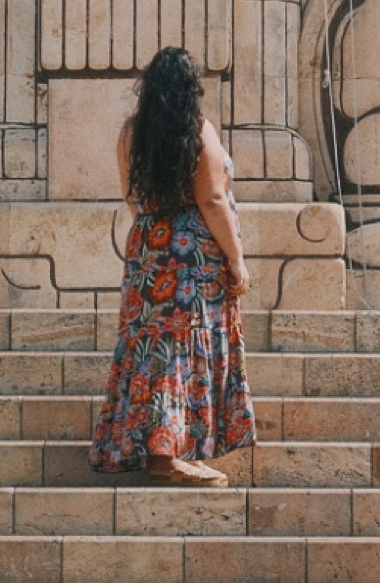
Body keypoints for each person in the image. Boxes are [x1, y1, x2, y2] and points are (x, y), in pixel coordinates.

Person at [89, 47, 256, 485]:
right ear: (190, 89)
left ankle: (176, 449)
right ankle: (167, 455)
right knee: (182, 348)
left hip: (148, 245)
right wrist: (236, 259)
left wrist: (154, 238)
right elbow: (212, 198)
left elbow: (131, 194)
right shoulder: (198, 131)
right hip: (193, 252)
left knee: (152, 346)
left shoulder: (131, 133)